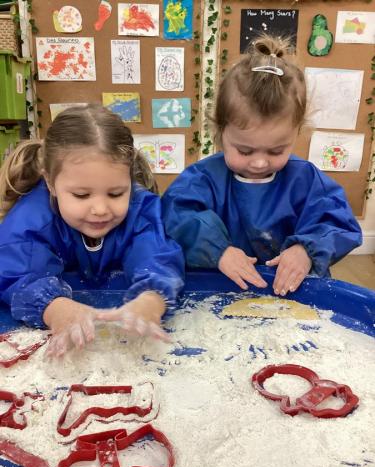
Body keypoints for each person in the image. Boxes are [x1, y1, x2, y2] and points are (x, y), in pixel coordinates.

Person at [162, 35, 362, 295]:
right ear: (220, 132)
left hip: (291, 292)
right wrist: (217, 251)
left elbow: (337, 223)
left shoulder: (306, 180)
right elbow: (176, 216)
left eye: (276, 150)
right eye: (244, 150)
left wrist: (306, 250)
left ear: (296, 133)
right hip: (218, 291)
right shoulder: (203, 178)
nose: (259, 162)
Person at [0, 104, 184, 357]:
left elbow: (158, 255)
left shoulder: (140, 210)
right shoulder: (32, 219)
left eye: (116, 193)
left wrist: (151, 300)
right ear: (51, 183)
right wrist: (54, 307)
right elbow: (15, 272)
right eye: (82, 194)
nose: (100, 208)